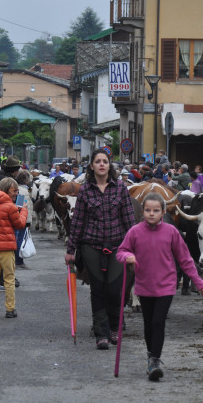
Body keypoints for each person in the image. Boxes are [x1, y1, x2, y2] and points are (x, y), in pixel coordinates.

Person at [116, 193, 203, 381]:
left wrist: (199, 283)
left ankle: (155, 360)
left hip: (166, 285)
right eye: (148, 210)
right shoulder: (134, 231)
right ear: (143, 212)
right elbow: (121, 251)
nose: (152, 214)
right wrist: (127, 257)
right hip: (144, 286)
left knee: (158, 322)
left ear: (163, 212)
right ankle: (151, 353)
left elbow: (185, 260)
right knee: (148, 325)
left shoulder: (171, 232)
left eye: (156, 210)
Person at [65, 149, 137, 349]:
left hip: (118, 245)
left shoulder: (121, 188)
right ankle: (101, 334)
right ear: (92, 166)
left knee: (114, 290)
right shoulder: (85, 190)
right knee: (98, 290)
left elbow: (129, 221)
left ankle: (115, 328)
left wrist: (133, 249)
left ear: (109, 165)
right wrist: (71, 250)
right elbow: (77, 222)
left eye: (105, 161)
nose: (102, 164)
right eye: (98, 161)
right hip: (92, 245)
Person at [0, 177, 28, 319]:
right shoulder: (10, 206)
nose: (16, 193)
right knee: (9, 278)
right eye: (14, 190)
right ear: (7, 189)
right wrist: (24, 211)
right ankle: (10, 309)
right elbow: (19, 224)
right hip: (6, 247)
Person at [14, 170, 33, 270]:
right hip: (22, 218)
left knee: (19, 238)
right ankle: (18, 260)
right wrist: (28, 221)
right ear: (26, 181)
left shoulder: (18, 189)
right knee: (20, 239)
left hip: (20, 217)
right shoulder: (23, 191)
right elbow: (23, 206)